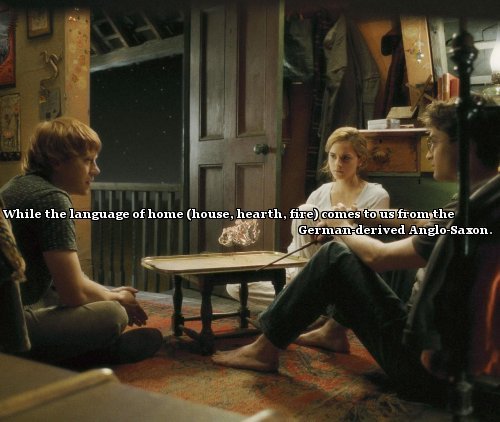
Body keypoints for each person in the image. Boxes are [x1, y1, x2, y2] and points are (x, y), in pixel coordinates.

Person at [212, 98, 500, 403]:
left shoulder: (472, 212)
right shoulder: (486, 199)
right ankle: (332, 331)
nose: (428, 152)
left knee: (335, 255)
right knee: (376, 241)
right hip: (456, 359)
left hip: (429, 373)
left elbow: (379, 258)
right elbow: (425, 224)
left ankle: (264, 350)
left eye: (434, 141)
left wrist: (341, 225)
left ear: (465, 145)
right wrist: (365, 216)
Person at [0, 117, 163, 367]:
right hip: (9, 331)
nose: (96, 170)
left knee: (80, 293)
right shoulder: (51, 199)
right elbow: (73, 293)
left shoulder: (17, 185)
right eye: (87, 161)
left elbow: (66, 278)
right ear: (56, 161)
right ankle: (94, 356)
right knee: (113, 314)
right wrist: (118, 299)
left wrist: (110, 293)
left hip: (12, 306)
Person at [226, 127, 389, 353]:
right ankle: (311, 306)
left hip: (340, 274)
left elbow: (364, 250)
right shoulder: (320, 193)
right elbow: (298, 245)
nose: (337, 164)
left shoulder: (376, 195)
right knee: (235, 287)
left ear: (360, 160)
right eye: (333, 156)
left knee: (305, 212)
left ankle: (301, 304)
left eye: (345, 158)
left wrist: (340, 225)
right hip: (301, 269)